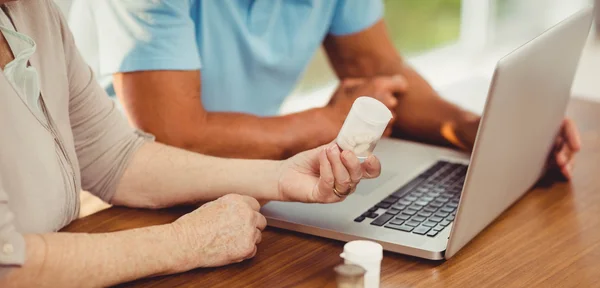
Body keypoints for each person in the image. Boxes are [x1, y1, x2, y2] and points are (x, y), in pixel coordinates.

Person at [0, 0, 381, 288]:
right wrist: (186, 242)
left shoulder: (33, 11)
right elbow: (7, 266)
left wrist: (281, 176)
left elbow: (114, 156)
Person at [70, 0, 580, 179]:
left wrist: (477, 130)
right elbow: (171, 135)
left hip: (254, 175)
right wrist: (320, 123)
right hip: (116, 193)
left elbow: (386, 82)